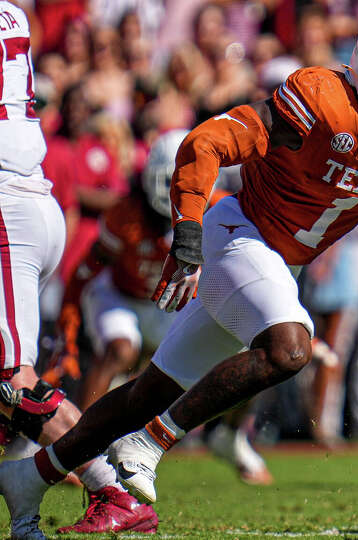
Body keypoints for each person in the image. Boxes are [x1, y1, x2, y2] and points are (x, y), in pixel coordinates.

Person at [0, 16, 358, 540]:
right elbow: (206, 142)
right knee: (291, 348)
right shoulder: (323, 104)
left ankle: (30, 477)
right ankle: (149, 444)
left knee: (146, 392)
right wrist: (189, 231)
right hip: (239, 234)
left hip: (273, 261)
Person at [0, 2, 157, 538]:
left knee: (10, 381)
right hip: (28, 197)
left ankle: (109, 488)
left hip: (8, 209)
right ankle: (23, 517)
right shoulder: (13, 15)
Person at [57, 129, 273, 484]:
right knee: (121, 350)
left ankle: (231, 438)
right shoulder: (125, 212)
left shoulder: (221, 207)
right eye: (171, 181)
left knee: (254, 353)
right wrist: (68, 316)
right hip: (122, 297)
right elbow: (89, 267)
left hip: (169, 305)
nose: (177, 191)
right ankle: (77, 442)